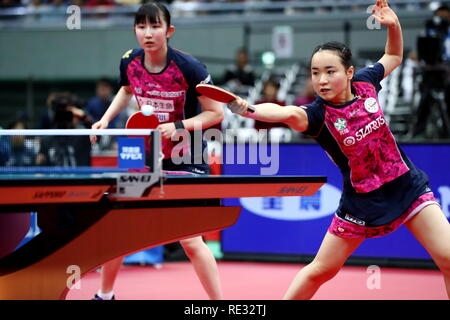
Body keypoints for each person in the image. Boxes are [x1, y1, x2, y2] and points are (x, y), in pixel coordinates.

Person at [227, 0, 450, 299]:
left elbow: (394, 54)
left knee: (448, 258)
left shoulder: (366, 83)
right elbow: (286, 113)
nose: (321, 80)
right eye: (315, 72)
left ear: (349, 72)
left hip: (407, 186)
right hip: (361, 203)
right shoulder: (317, 115)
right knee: (321, 270)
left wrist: (393, 25)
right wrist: (249, 109)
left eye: (329, 71)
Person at [90, 2, 224, 300]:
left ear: (169, 30)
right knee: (119, 226)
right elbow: (127, 89)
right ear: (135, 30)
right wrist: (106, 119)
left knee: (190, 240)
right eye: (141, 26)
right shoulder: (129, 62)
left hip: (185, 155)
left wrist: (179, 126)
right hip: (142, 150)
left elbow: (216, 114)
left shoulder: (189, 67)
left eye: (155, 26)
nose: (148, 33)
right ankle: (105, 294)